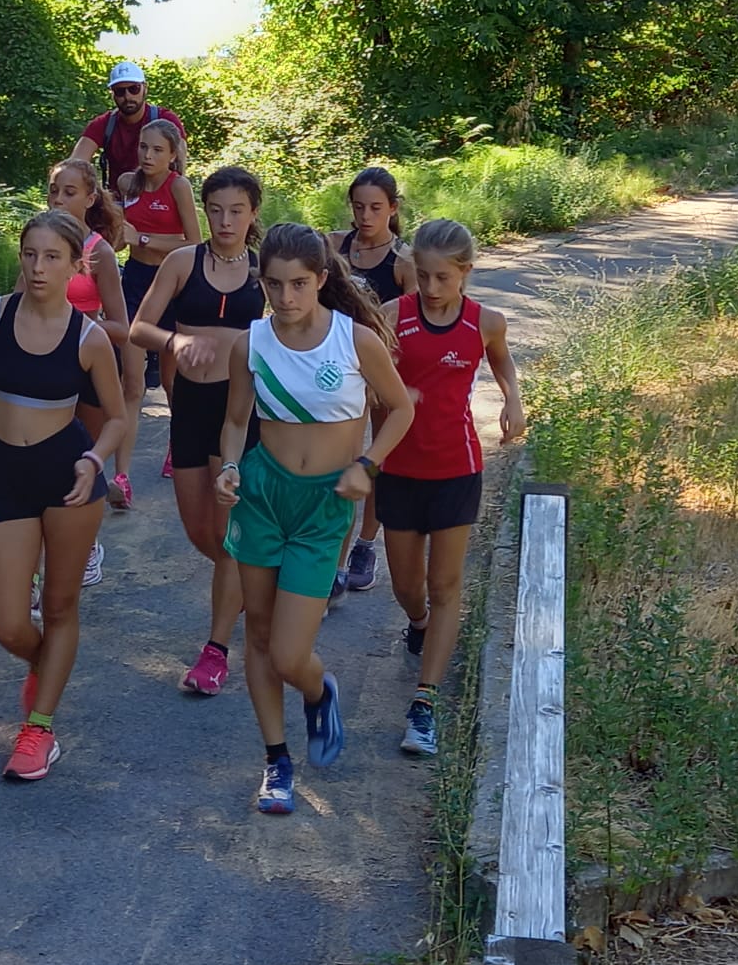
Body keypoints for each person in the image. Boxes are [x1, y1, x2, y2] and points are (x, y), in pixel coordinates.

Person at [214, 223, 415, 814]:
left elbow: (400, 410)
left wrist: (368, 466)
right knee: (255, 635)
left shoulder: (354, 342)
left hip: (324, 506)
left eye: (299, 284)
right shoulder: (250, 343)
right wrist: (229, 467)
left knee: (288, 653)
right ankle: (277, 762)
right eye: (273, 285)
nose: (286, 298)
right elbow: (234, 421)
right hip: (263, 496)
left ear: (322, 281)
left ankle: (316, 686)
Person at [0, 210, 126, 782]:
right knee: (7, 623)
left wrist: (96, 459)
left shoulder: (89, 337)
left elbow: (118, 418)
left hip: (69, 477)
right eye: (30, 255)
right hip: (7, 472)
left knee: (58, 606)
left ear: (77, 266)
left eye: (52, 257)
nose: (38, 267)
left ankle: (39, 730)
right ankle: (43, 663)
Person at [378, 217, 524, 759]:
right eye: (423, 277)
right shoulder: (393, 317)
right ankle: (417, 623)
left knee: (445, 586)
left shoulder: (486, 322)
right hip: (398, 469)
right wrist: (394, 395)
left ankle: (425, 702)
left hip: (457, 469)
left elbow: (503, 363)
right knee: (406, 587)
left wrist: (512, 398)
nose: (432, 289)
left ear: (465, 272)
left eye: (443, 278)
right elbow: (370, 387)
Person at [127, 166, 265, 697]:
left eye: (236, 210)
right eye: (215, 209)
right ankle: (256, 585)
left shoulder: (262, 270)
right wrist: (175, 345)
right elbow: (139, 328)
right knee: (200, 532)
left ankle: (216, 649)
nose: (225, 220)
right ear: (203, 211)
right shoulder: (184, 262)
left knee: (229, 535)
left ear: (253, 213)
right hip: (189, 407)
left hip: (241, 410)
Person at [323, 167, 415, 600]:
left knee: (376, 456)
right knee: (339, 456)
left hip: (379, 367)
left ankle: (365, 545)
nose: (365, 215)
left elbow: (412, 320)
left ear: (393, 209)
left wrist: (394, 375)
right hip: (334, 368)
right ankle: (331, 557)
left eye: (376, 208)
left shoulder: (403, 261)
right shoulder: (333, 246)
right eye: (358, 206)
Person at [42, 160, 131, 584]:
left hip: (89, 368)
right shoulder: (39, 246)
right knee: (45, 460)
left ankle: (89, 544)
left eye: (70, 192)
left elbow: (121, 326)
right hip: (45, 367)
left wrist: (78, 324)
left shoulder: (99, 252)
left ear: (90, 198)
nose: (59, 199)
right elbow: (19, 305)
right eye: (54, 191)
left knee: (84, 461)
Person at [115, 118, 201, 493]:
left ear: (172, 154)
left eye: (157, 150)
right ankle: (122, 476)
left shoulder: (178, 186)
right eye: (143, 148)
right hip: (133, 282)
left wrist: (144, 238)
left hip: (170, 286)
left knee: (170, 382)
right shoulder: (126, 184)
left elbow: (194, 243)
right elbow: (119, 238)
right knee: (131, 384)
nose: (148, 155)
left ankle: (177, 446)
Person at [71, 60, 186, 192]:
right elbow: (75, 165)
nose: (127, 96)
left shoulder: (166, 119)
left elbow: (180, 163)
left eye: (134, 89)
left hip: (158, 200)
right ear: (112, 94)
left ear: (145, 88)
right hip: (117, 203)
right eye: (120, 91)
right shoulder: (104, 124)